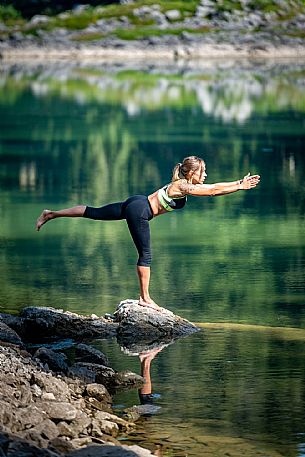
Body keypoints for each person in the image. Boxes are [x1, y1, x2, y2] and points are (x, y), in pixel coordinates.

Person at [36, 156, 260, 311]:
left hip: (137, 202)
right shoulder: (182, 186)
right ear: (192, 173)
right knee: (146, 255)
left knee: (94, 212)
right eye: (203, 171)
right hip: (141, 210)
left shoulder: (181, 183)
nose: (206, 174)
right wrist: (239, 185)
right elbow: (212, 190)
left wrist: (238, 184)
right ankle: (144, 299)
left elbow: (213, 190)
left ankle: (51, 214)